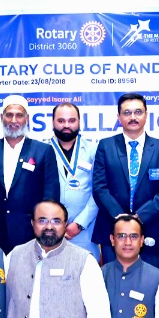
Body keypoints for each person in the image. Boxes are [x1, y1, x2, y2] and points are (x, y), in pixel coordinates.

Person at [92, 92, 159, 266]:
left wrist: (140, 216)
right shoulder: (106, 146)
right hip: (113, 228)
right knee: (113, 280)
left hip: (152, 228)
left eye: (138, 112)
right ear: (119, 117)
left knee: (151, 280)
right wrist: (120, 217)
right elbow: (99, 187)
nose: (133, 117)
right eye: (127, 113)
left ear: (146, 115)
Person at [0, 95, 60, 252]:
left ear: (27, 119)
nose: (13, 120)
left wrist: (43, 229)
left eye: (19, 115)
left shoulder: (43, 151)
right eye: (9, 115)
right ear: (1, 118)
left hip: (30, 234)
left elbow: (50, 195)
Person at [49, 102, 100, 256]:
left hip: (84, 230)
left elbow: (99, 191)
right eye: (61, 121)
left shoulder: (93, 150)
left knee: (85, 269)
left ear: (79, 122)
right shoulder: (43, 150)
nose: (66, 125)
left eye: (71, 120)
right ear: (52, 122)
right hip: (50, 229)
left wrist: (79, 223)